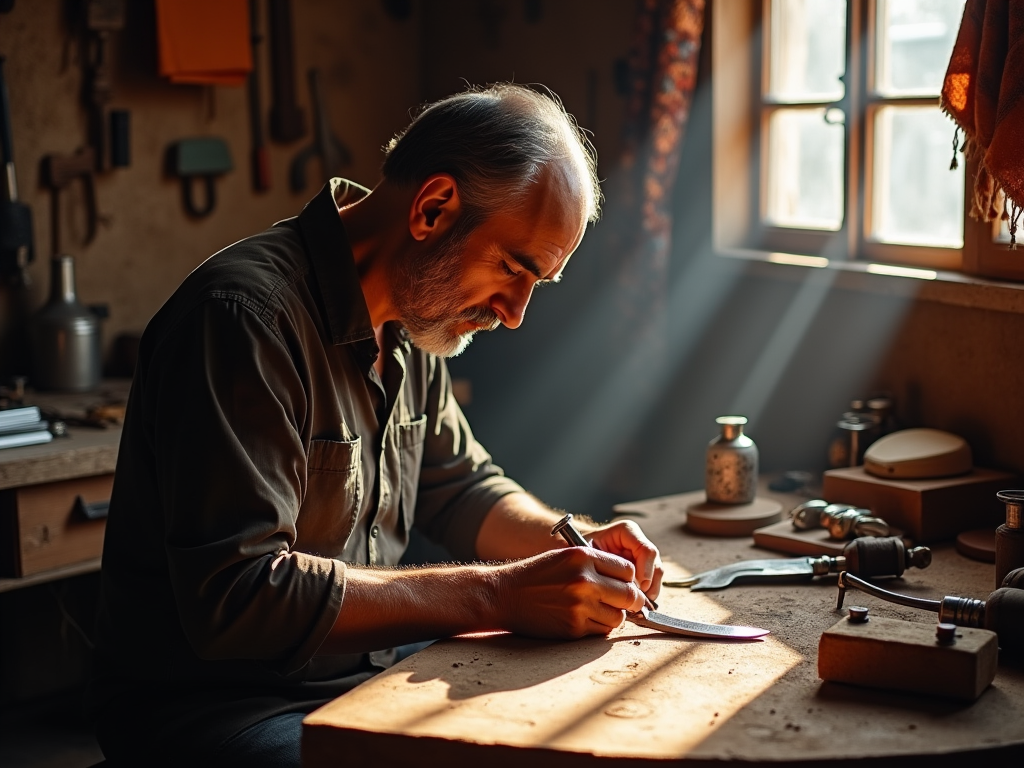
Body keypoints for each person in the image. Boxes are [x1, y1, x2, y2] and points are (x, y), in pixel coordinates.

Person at [92, 83, 664, 767]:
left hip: (361, 676)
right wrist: (499, 593)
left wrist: (570, 542)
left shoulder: (413, 321)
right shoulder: (243, 320)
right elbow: (238, 596)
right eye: (515, 269)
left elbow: (459, 486)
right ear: (433, 208)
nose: (514, 313)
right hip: (216, 709)